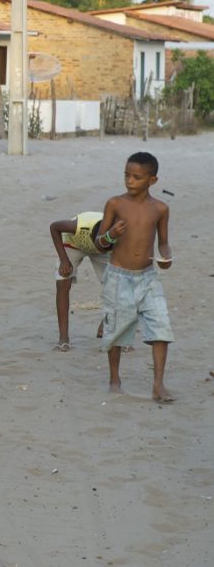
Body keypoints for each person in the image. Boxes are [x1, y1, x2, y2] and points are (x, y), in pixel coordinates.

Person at [98, 152, 175, 403]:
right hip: (119, 276)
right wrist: (111, 234)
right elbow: (100, 244)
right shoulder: (115, 204)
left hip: (148, 277)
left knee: (161, 325)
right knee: (116, 330)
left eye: (137, 177)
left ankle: (158, 385)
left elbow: (163, 244)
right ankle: (114, 379)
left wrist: (166, 257)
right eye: (126, 175)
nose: (129, 181)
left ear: (152, 180)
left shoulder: (160, 209)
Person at [49, 210, 122, 351]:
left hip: (106, 250)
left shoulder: (119, 237)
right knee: (63, 282)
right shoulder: (78, 225)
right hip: (74, 244)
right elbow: (54, 227)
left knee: (117, 286)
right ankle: (63, 339)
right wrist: (64, 260)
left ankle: (107, 324)